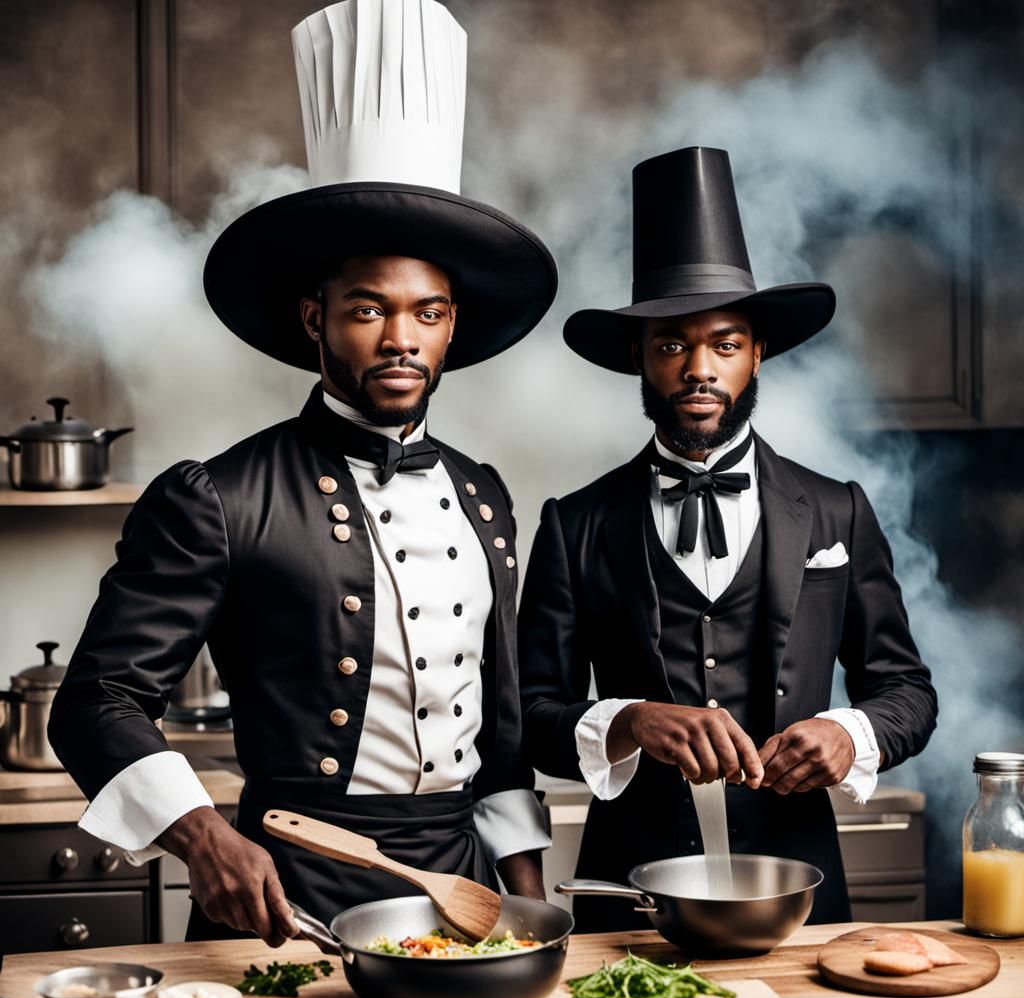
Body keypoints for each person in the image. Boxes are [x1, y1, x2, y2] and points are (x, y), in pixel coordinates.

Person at [48, 0, 556, 945]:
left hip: (462, 897)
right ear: (315, 319)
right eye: (368, 308)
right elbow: (97, 702)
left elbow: (504, 744)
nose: (401, 337)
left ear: (452, 328)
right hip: (287, 897)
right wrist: (202, 835)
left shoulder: (484, 494)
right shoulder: (218, 495)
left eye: (428, 313)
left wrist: (528, 907)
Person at [517, 146, 937, 930]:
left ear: (757, 354)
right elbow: (529, 715)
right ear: (639, 359)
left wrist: (849, 732)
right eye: (672, 345)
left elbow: (907, 692)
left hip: (800, 898)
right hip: (630, 905)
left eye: (724, 344)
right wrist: (630, 720)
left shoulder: (836, 509)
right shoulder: (573, 524)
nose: (698, 368)